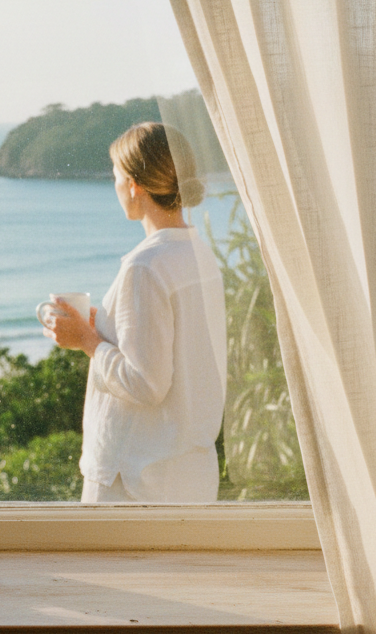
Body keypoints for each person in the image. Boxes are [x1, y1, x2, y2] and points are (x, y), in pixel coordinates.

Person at [42, 122, 227, 503]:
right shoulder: (198, 255)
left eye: (115, 177)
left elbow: (146, 383)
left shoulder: (146, 267)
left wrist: (88, 341)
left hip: (134, 483)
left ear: (134, 186)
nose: (114, 188)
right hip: (187, 476)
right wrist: (105, 324)